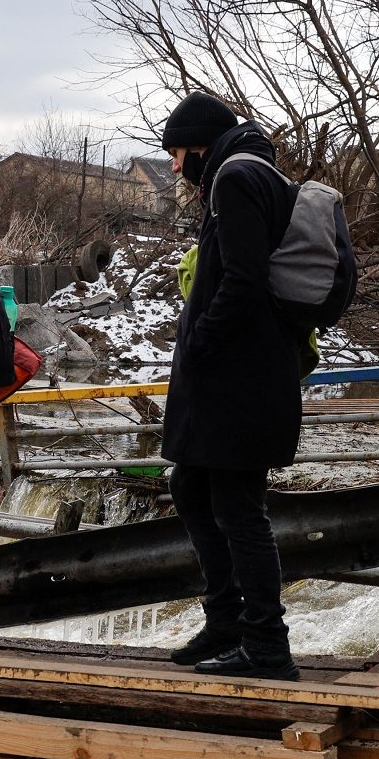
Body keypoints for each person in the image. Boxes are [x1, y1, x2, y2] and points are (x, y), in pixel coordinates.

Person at [154, 92, 304, 681]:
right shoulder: (250, 171)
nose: (172, 166)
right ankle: (227, 621)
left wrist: (201, 342)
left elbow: (242, 279)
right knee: (191, 487)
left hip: (238, 376)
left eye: (174, 153)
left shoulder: (237, 178)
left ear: (198, 144)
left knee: (240, 509)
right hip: (242, 372)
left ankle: (266, 643)